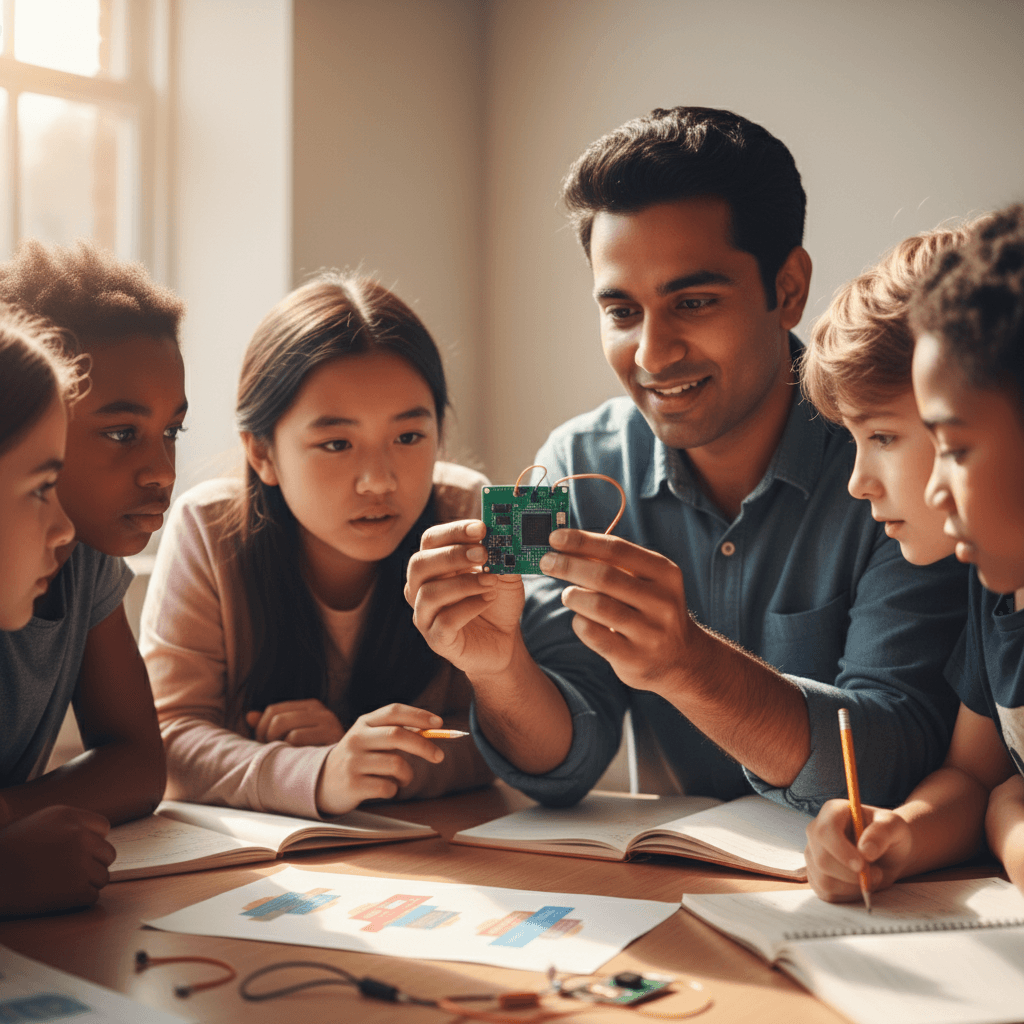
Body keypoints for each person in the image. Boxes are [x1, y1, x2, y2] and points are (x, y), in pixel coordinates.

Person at [406, 106, 967, 811]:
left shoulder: (897, 465)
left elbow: (894, 757)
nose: (651, 354)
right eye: (621, 311)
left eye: (693, 301)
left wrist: (689, 664)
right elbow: (565, 764)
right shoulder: (571, 462)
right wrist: (500, 668)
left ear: (788, 289)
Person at [141, 273, 492, 818]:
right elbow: (166, 740)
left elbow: (509, 742)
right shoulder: (209, 529)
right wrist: (321, 771)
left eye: (408, 437)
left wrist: (372, 759)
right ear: (261, 453)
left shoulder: (464, 516)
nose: (378, 480)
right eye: (335, 443)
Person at [806, 204, 1024, 899]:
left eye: (950, 446)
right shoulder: (994, 588)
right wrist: (900, 834)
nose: (857, 482)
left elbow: (1001, 798)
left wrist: (1008, 821)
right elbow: (975, 774)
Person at [0, 241, 178, 883]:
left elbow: (138, 762)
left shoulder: (84, 563)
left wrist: (11, 815)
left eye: (171, 432)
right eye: (121, 432)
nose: (162, 470)